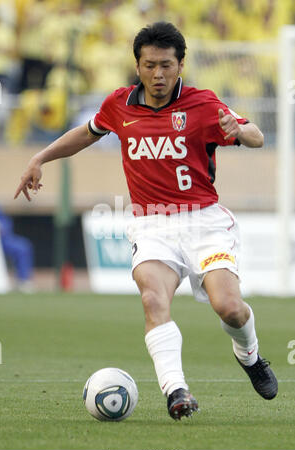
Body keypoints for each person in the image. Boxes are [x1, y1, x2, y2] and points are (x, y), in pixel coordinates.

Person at [14, 21, 278, 420]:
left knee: (231, 309)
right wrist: (39, 158)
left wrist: (237, 128)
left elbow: (256, 136)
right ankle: (176, 391)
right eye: (150, 65)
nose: (158, 74)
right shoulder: (119, 105)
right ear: (137, 65)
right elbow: (86, 133)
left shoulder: (203, 104)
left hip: (204, 222)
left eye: (167, 66)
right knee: (153, 299)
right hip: (152, 224)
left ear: (180, 64)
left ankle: (251, 355)